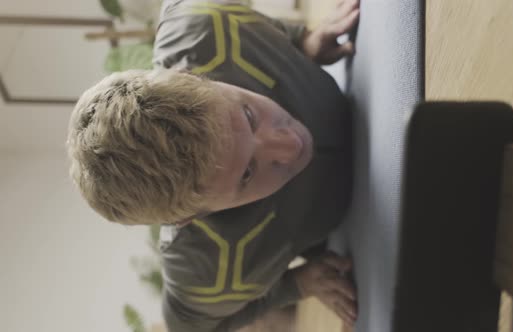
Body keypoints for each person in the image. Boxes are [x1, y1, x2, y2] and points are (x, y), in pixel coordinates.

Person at [66, 0, 360, 330]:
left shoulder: (195, 21)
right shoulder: (199, 270)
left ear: (187, 75)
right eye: (246, 174)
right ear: (190, 218)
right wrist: (297, 286)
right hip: (360, 221)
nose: (291, 145)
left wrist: (301, 40)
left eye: (248, 115)